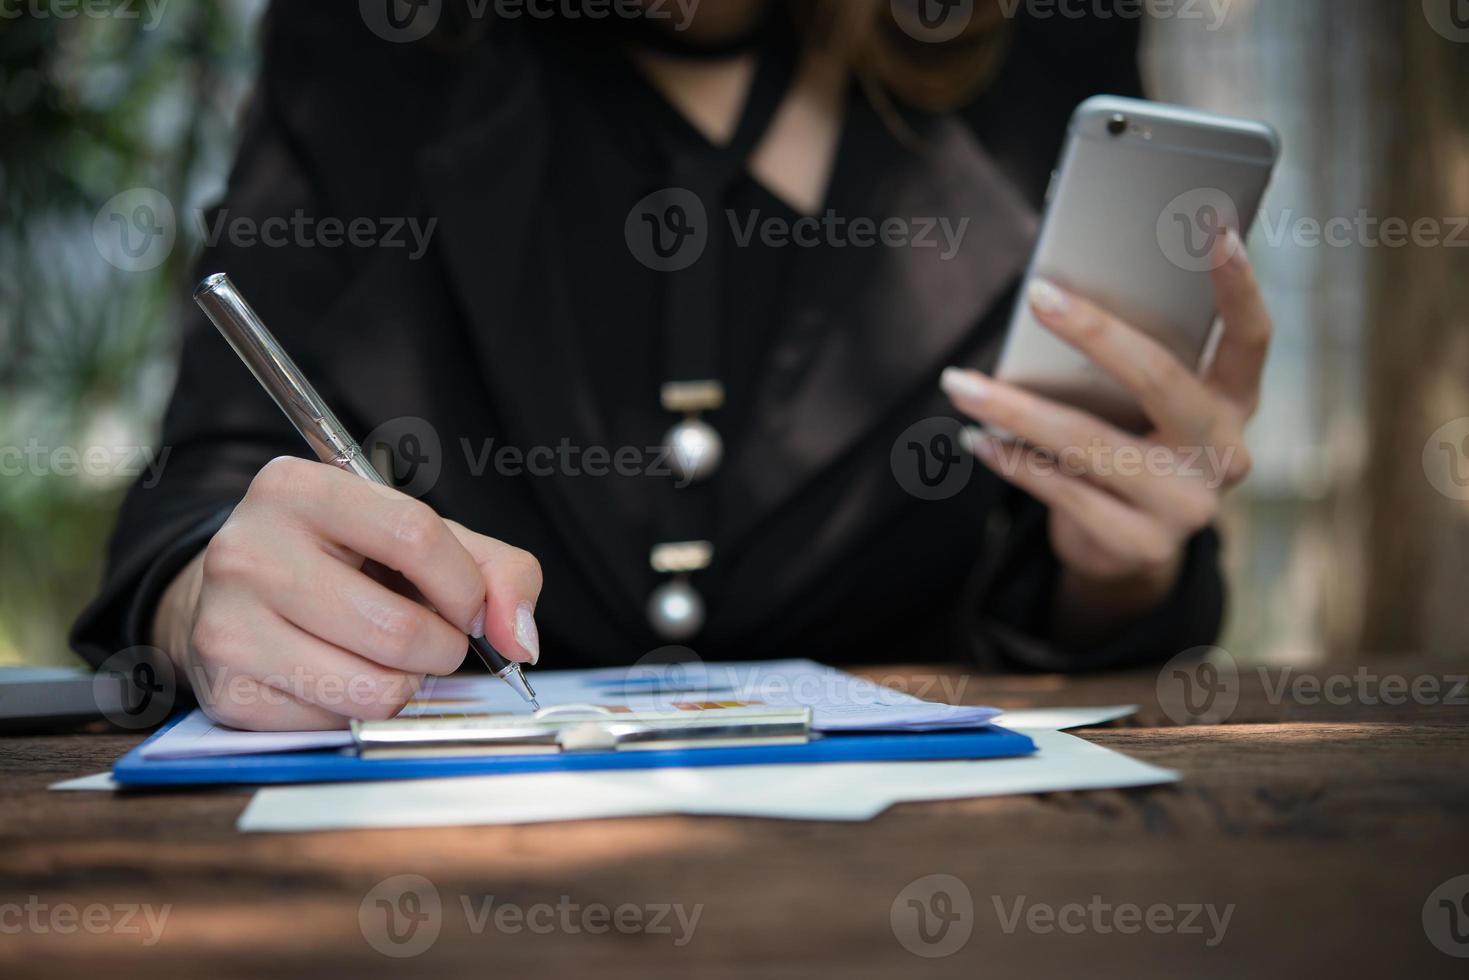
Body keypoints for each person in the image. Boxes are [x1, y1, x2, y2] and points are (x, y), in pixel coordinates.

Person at [72, 0, 1273, 731]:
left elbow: (1078, 604)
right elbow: (201, 498)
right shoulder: (373, 46)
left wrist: (1116, 565)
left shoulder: (1033, 44)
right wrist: (209, 599)